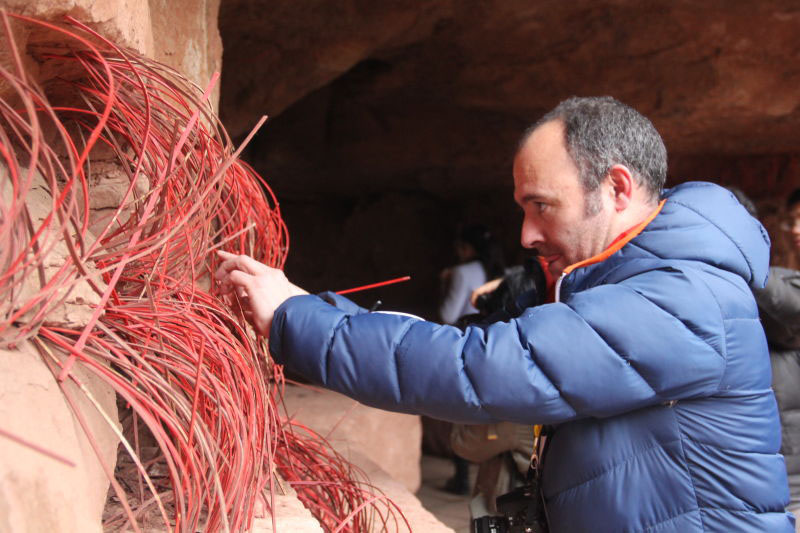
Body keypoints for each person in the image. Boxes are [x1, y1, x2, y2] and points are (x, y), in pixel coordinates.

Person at [216, 96, 793, 532]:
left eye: (541, 205)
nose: (526, 234)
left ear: (616, 188)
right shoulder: (642, 283)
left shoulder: (685, 297)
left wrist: (297, 317)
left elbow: (486, 369)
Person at [754, 188, 800, 531]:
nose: (796, 229)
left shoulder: (778, 287)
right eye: (793, 220)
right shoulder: (776, 282)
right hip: (776, 492)